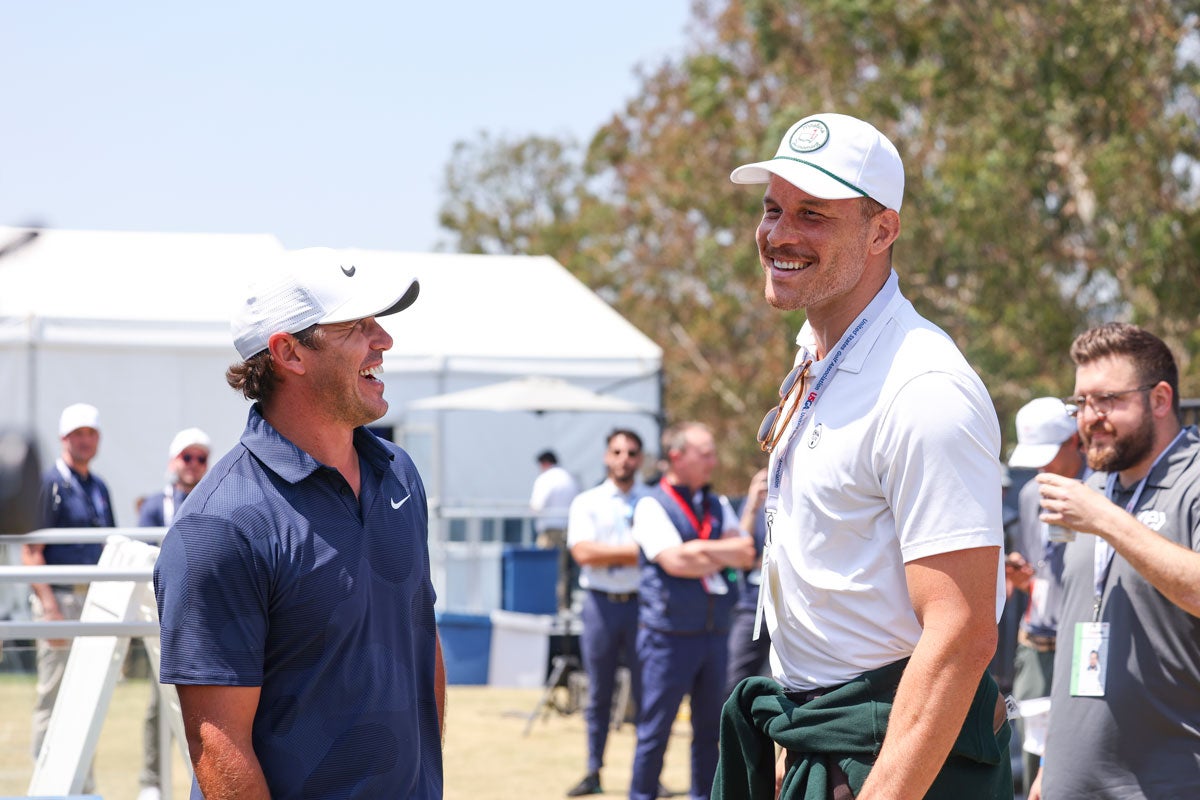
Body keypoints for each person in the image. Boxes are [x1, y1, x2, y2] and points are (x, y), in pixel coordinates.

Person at [715, 112, 1010, 799]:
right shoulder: (819, 353)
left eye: (813, 214)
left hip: (900, 762)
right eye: (773, 208)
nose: (779, 234)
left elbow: (964, 631)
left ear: (883, 231)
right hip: (832, 742)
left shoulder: (924, 388)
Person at [153, 247, 444, 798]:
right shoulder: (221, 524)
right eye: (357, 326)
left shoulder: (399, 475)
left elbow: (420, 638)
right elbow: (218, 746)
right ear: (289, 352)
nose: (383, 340)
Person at [1030, 322, 1200, 800]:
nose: (1089, 417)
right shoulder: (1093, 489)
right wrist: (1050, 761)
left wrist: (1107, 519)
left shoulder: (1192, 480)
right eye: (1081, 402)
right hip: (1068, 784)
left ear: (1160, 400)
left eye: (1107, 400)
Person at [629, 422, 755, 800]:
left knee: (709, 733)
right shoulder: (652, 503)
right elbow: (675, 562)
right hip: (668, 635)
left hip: (714, 633)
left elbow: (746, 553)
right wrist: (717, 551)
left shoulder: (715, 504)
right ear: (676, 456)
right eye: (706, 454)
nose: (713, 462)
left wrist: (699, 551)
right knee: (655, 731)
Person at [22, 402, 114, 791]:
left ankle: (83, 786)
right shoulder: (50, 484)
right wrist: (49, 607)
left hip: (93, 600)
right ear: (64, 438)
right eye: (78, 434)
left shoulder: (98, 486)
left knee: (87, 695)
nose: (85, 440)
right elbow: (31, 552)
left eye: (91, 433)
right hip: (60, 599)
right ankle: (46, 784)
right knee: (54, 695)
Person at [1004, 396, 1085, 794]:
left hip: (1080, 646)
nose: (1042, 468)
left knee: (1075, 760)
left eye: (1049, 455)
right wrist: (1022, 577)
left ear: (1076, 441)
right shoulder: (1030, 495)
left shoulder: (1103, 493)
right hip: (1034, 646)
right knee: (1032, 755)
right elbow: (1041, 573)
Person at [564, 429, 648, 797]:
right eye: (617, 451)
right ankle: (594, 770)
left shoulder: (652, 501)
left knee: (649, 695)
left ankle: (649, 772)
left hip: (644, 605)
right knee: (599, 693)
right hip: (601, 604)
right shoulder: (587, 501)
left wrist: (608, 551)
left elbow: (663, 552)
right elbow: (582, 553)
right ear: (606, 456)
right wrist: (637, 551)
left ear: (640, 459)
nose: (624, 458)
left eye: (631, 452)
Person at [135, 426, 212, 800]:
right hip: (162, 615)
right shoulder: (156, 505)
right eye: (187, 457)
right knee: (157, 700)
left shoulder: (218, 498)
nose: (194, 465)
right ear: (173, 461)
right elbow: (139, 558)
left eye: (201, 458)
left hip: (208, 616)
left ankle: (202, 779)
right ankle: (151, 779)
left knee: (213, 704)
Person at [723, 467, 771, 697]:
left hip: (797, 604)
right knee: (734, 679)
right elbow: (741, 555)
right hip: (754, 604)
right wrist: (753, 504)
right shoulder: (757, 502)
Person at [530, 449, 581, 610]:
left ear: (544, 463)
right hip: (569, 529)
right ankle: (564, 606)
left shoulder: (545, 479)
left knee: (545, 569)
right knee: (564, 571)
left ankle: (545, 605)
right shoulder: (569, 478)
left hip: (550, 531)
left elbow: (537, 506)